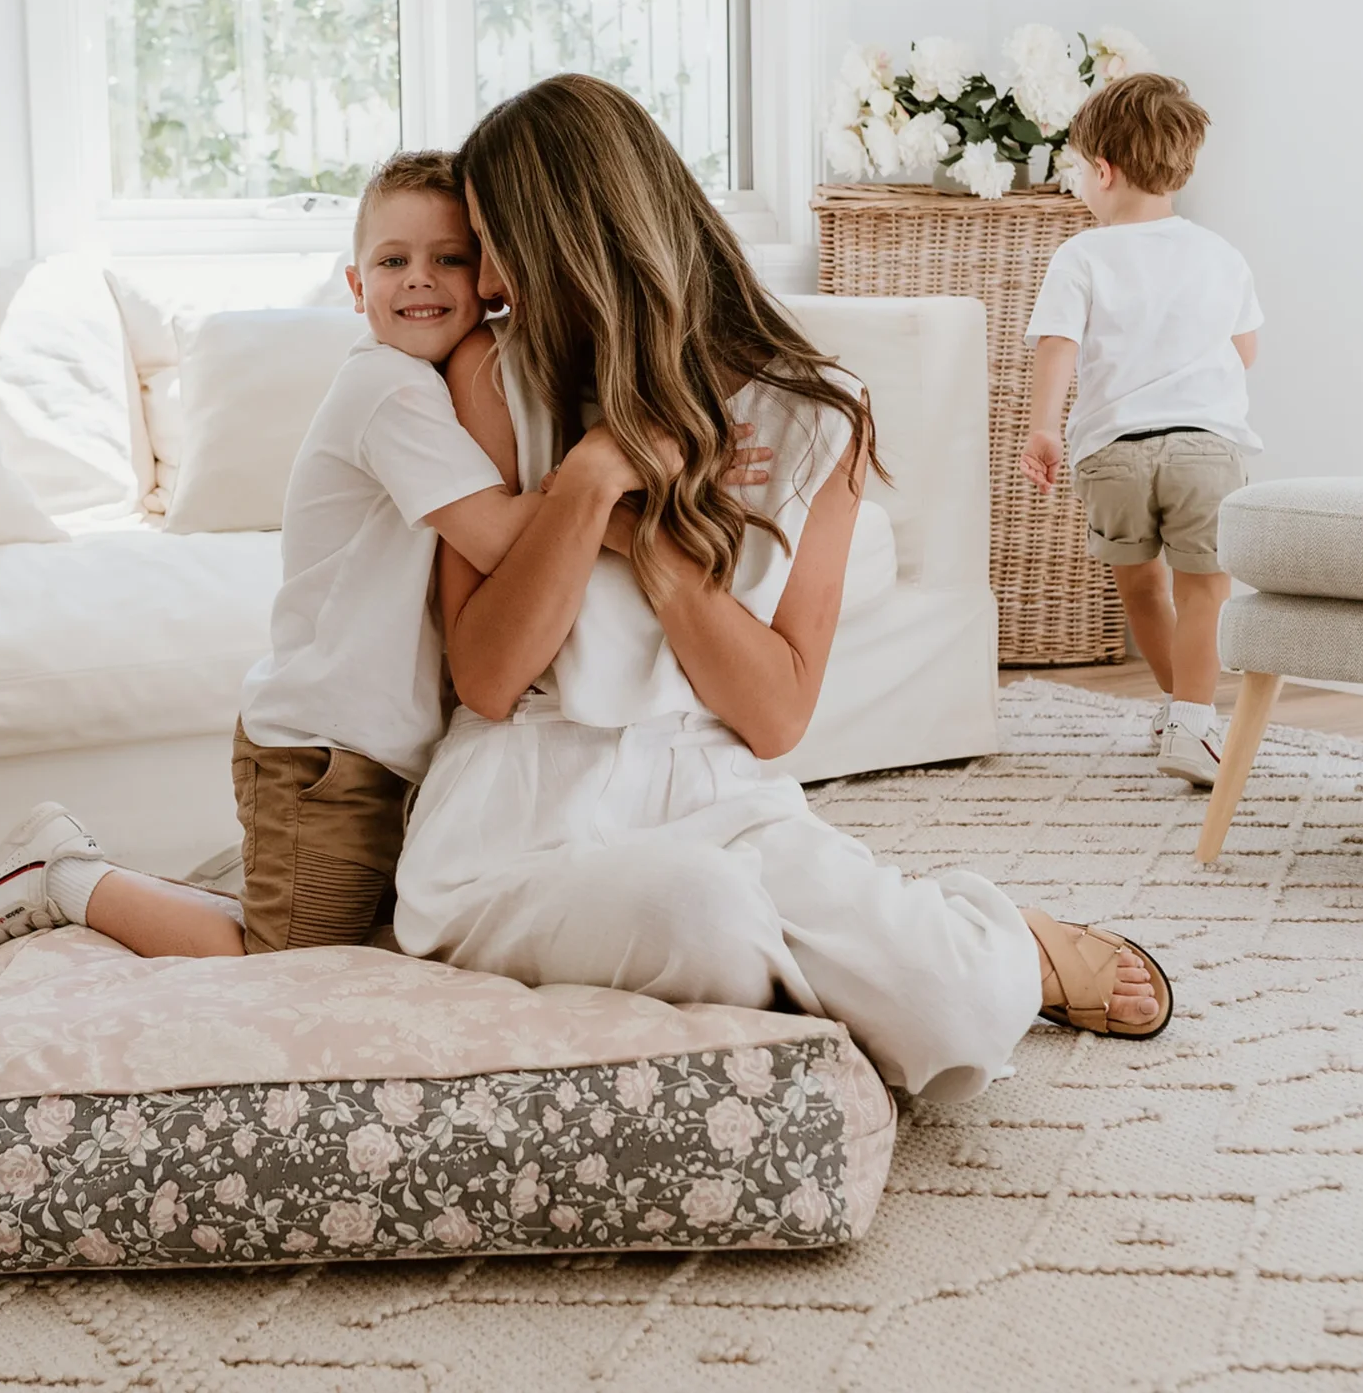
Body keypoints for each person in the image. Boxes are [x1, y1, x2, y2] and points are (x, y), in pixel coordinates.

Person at [388, 74, 1168, 1107]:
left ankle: (994, 937)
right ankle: (797, 994)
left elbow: (773, 713)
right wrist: (588, 476)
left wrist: (649, 540)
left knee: (961, 1007)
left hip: (723, 796)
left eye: (494, 242)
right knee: (698, 912)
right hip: (525, 818)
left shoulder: (819, 413)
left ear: (573, 237)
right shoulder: (493, 372)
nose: (482, 280)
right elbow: (486, 679)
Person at [0, 150, 765, 974]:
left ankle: (200, 881)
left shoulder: (437, 387)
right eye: (393, 261)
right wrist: (641, 486)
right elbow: (505, 538)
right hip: (326, 746)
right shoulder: (388, 392)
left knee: (361, 925)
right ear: (355, 286)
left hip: (381, 744)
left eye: (450, 258)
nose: (420, 280)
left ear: (492, 278)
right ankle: (62, 875)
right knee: (287, 957)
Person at [1017, 74, 1262, 787]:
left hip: (1113, 453)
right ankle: (1191, 718)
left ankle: (1175, 711)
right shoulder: (1220, 254)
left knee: (1141, 587)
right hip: (1205, 449)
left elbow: (1056, 344)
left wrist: (1044, 430)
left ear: (1103, 170)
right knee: (1205, 589)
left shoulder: (1082, 256)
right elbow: (1245, 352)